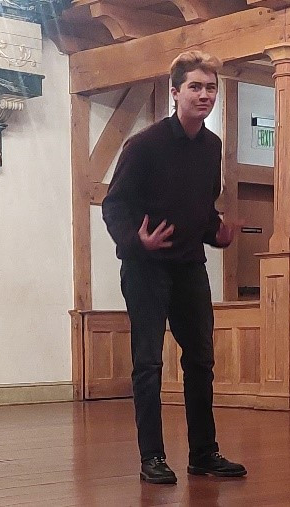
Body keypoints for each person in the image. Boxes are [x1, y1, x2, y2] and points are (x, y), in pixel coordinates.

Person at [102, 50, 247, 484]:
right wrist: (136, 240)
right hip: (145, 267)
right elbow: (114, 205)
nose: (204, 95)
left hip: (188, 266)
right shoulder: (143, 145)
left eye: (210, 88)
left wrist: (217, 233)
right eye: (195, 87)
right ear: (175, 92)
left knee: (201, 359)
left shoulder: (212, 147)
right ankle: (152, 458)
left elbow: (201, 210)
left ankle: (204, 453)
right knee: (148, 363)